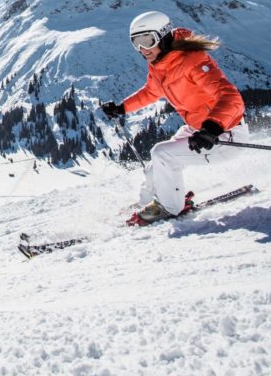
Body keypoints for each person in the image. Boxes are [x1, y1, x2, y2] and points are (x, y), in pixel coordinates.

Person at [101, 11, 248, 224]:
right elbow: (151, 92)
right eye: (136, 43)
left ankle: (170, 207)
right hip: (199, 129)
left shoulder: (193, 61)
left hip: (224, 134)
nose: (142, 49)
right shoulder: (160, 65)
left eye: (147, 40)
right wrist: (122, 108)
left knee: (162, 154)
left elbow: (231, 97)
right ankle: (147, 202)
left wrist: (212, 129)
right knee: (155, 166)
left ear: (163, 36)